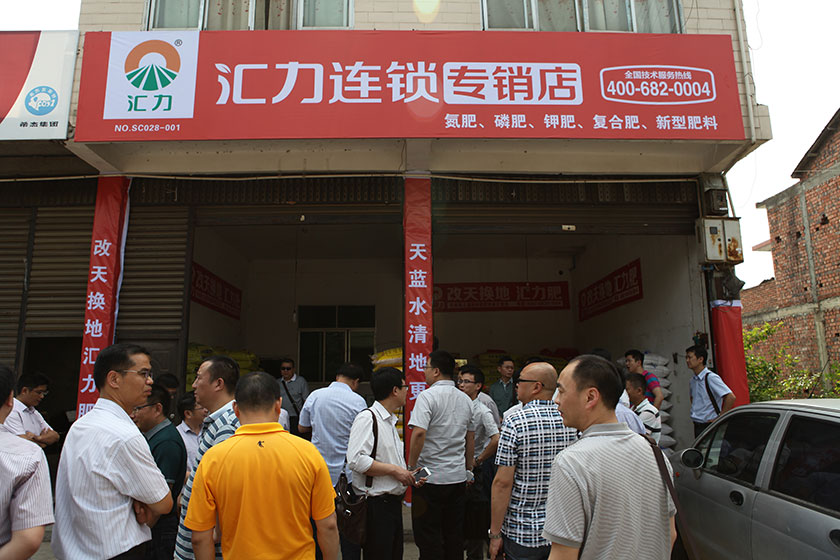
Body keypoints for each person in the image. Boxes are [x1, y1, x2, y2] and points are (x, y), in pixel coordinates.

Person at [185, 372, 338, 560]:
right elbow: (328, 525)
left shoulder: (214, 458)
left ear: (235, 408)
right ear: (279, 405)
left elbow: (199, 537)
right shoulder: (308, 453)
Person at [544, 354, 676, 559]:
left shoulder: (571, 462)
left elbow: (563, 554)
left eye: (561, 391)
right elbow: (670, 533)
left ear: (590, 397)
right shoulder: (655, 453)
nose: (556, 400)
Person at [52, 344, 173, 560]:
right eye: (143, 374)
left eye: (150, 374)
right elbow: (163, 502)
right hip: (116, 551)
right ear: (114, 379)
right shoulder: (124, 435)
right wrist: (139, 500)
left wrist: (139, 499)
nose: (150, 381)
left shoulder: (80, 426)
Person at [489, 362, 577, 560]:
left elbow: (502, 483)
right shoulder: (571, 421)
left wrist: (495, 533)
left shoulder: (515, 421)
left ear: (537, 386)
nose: (516, 384)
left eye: (520, 380)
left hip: (523, 532)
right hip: (562, 531)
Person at [408, 350, 476, 560]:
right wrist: (468, 469)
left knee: (428, 534)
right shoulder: (465, 399)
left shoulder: (427, 396)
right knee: (453, 534)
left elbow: (419, 433)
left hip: (428, 475)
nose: (424, 372)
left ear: (436, 371)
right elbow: (470, 438)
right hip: (456, 475)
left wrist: (411, 468)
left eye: (426, 367)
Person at [346, 367, 419, 560]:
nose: (407, 391)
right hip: (376, 506)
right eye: (405, 387)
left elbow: (386, 460)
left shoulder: (389, 421)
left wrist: (406, 475)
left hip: (391, 504)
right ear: (395, 390)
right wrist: (394, 471)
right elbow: (356, 460)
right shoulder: (367, 418)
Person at [299, 362, 367, 560]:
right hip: (347, 475)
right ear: (355, 382)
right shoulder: (358, 401)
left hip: (318, 472)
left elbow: (302, 427)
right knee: (349, 527)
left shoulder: (315, 396)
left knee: (318, 524)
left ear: (337, 377)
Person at [174, 355, 240, 560]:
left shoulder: (227, 426)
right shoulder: (216, 421)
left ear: (218, 384)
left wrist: (204, 540)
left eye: (199, 378)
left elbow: (221, 494)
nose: (194, 385)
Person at [0, 364, 54, 558]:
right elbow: (28, 539)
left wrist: (34, 438)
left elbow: (53, 435)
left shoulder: (34, 414)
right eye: (39, 392)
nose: (41, 397)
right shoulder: (29, 455)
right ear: (10, 399)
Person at [132, 384, 187, 560]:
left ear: (157, 409)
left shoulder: (166, 442)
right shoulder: (152, 436)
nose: (133, 414)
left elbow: (162, 495)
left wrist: (141, 534)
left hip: (158, 529)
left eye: (138, 408)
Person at [458, 365, 500, 560]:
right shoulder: (459, 405)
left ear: (478, 386)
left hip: (476, 470)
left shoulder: (482, 410)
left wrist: (478, 459)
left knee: (475, 518)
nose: (462, 385)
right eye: (460, 381)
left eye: (467, 382)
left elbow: (496, 438)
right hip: (458, 468)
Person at [686, 345, 736, 437]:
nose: (687, 360)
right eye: (686, 358)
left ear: (700, 359)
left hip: (710, 425)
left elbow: (730, 397)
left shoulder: (710, 377)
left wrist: (720, 418)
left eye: (690, 357)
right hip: (697, 424)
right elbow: (692, 398)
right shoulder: (692, 381)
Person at [4, 371, 59, 448]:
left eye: (44, 393)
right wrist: (43, 443)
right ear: (24, 391)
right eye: (39, 392)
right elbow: (23, 442)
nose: (42, 396)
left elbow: (55, 436)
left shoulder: (34, 412)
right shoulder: (11, 410)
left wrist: (38, 438)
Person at [625, 373, 661, 444]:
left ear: (639, 391)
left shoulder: (649, 412)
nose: (625, 393)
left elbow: (636, 438)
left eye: (627, 389)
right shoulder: (632, 409)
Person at [277, 357, 309, 436]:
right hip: (281, 417)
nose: (285, 371)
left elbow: (306, 401)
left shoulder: (301, 381)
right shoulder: (277, 383)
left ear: (293, 369)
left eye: (288, 368)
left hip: (295, 417)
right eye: (283, 368)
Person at [176, 391, 206, 472]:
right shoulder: (177, 435)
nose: (206, 410)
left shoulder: (209, 429)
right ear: (188, 413)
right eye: (202, 408)